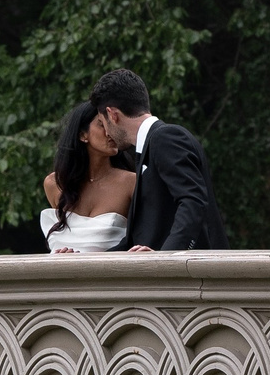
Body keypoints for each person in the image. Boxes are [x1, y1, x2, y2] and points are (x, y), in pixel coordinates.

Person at [88, 67, 227, 251]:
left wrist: (164, 257)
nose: (106, 131)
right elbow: (136, 241)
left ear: (112, 115)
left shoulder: (166, 137)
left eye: (102, 121)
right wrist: (76, 259)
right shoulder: (148, 148)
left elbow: (193, 201)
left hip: (191, 274)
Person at [39, 99, 136, 253]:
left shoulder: (131, 183)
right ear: (82, 134)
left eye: (113, 124)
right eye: (102, 124)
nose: (110, 132)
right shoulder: (54, 184)